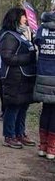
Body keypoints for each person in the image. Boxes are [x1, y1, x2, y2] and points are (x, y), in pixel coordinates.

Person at [0, 6, 37, 148]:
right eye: (23, 16)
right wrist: (30, 57)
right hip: (14, 78)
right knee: (13, 106)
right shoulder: (9, 36)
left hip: (25, 77)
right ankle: (9, 135)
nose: (26, 19)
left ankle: (20, 133)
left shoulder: (20, 35)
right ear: (16, 18)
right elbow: (7, 57)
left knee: (23, 106)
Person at [34, 8, 55, 159]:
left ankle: (42, 146)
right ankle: (52, 148)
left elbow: (37, 44)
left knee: (46, 109)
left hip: (42, 74)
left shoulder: (42, 28)